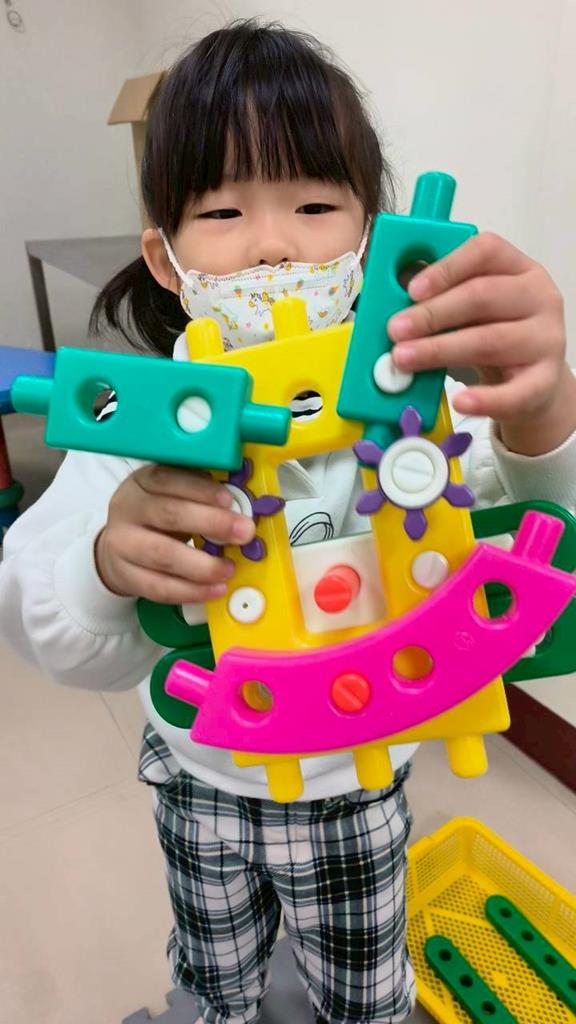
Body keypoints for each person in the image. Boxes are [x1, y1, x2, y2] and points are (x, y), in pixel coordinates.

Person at [2, 19, 576, 1024]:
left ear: (372, 241)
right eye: (223, 210)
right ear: (167, 257)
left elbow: (533, 524)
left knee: (366, 993)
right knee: (213, 979)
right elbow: (36, 602)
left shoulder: (419, 402)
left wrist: (540, 409)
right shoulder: (135, 424)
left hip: (357, 782)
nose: (272, 243)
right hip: (201, 773)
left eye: (313, 205)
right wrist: (104, 562)